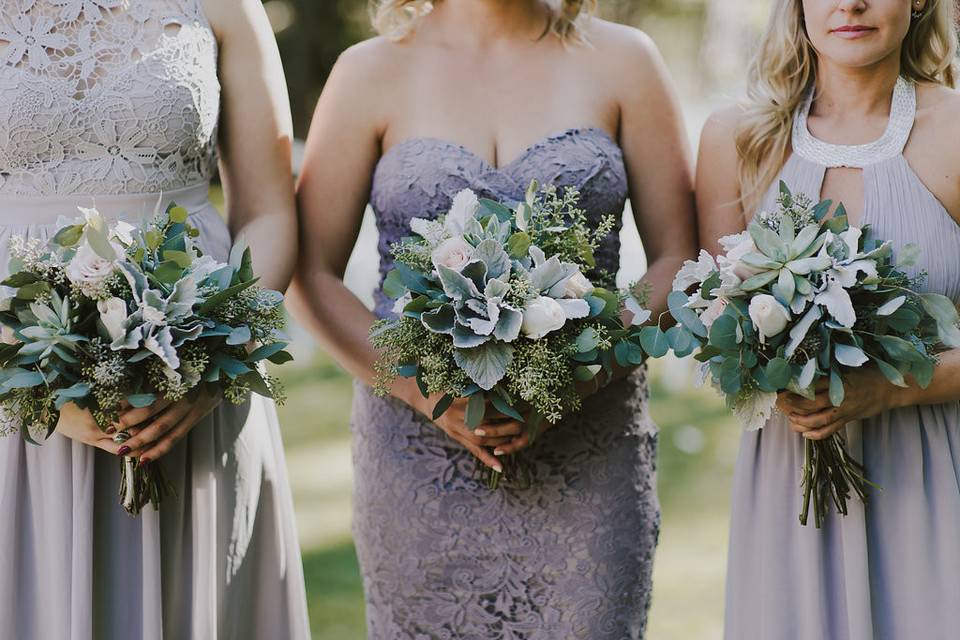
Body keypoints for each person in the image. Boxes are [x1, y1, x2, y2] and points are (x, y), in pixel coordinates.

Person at [291, 0, 697, 637]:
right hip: (417, 463)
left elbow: (678, 260)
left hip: (589, 456)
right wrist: (426, 396)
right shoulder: (367, 71)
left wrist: (573, 379)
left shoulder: (623, 61)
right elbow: (309, 273)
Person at [0, 1, 310, 638]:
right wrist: (23, 380)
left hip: (195, 366)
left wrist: (216, 357)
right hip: (14, 380)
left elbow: (270, 209)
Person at [696, 1, 960, 637]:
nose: (851, 3)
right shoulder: (737, 137)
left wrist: (890, 388)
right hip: (788, 487)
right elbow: (712, 323)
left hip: (935, 480)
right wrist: (767, 373)